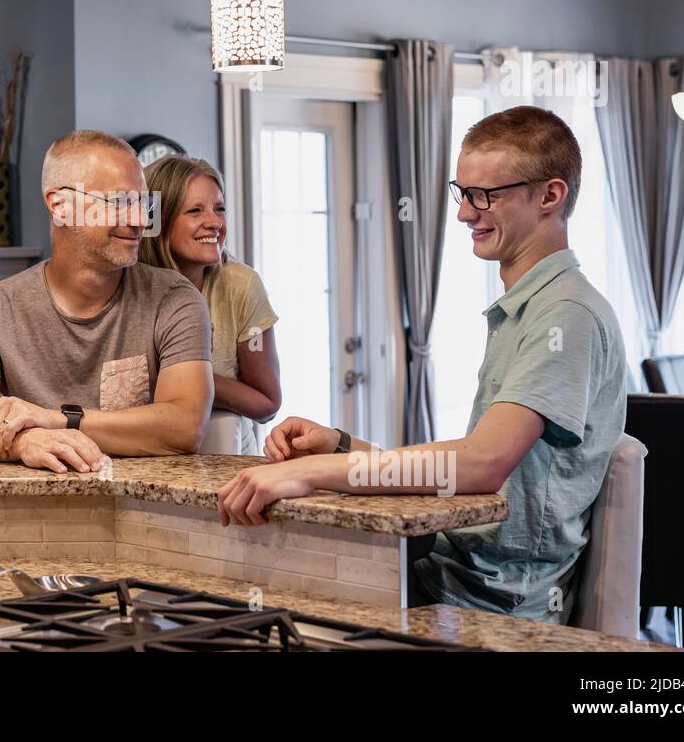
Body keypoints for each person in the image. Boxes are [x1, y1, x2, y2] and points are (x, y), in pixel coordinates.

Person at [217, 106, 626, 623]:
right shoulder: (529, 308)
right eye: (463, 192)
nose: (464, 213)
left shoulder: (566, 315)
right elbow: (462, 467)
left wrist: (312, 473)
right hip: (449, 575)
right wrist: (341, 446)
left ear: (550, 195)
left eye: (486, 196)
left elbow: (482, 464)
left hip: (493, 604)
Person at [0, 154, 281, 455]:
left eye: (220, 208)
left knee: (223, 423)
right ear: (160, 218)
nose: (214, 222)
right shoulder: (123, 272)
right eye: (195, 210)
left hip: (222, 445)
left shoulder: (224, 289)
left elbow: (255, 404)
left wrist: (186, 372)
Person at [0, 130, 214, 472]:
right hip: (19, 513)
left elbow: (185, 427)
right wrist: (24, 441)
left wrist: (57, 420)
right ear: (59, 205)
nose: (140, 220)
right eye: (120, 202)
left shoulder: (175, 300)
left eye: (143, 203)